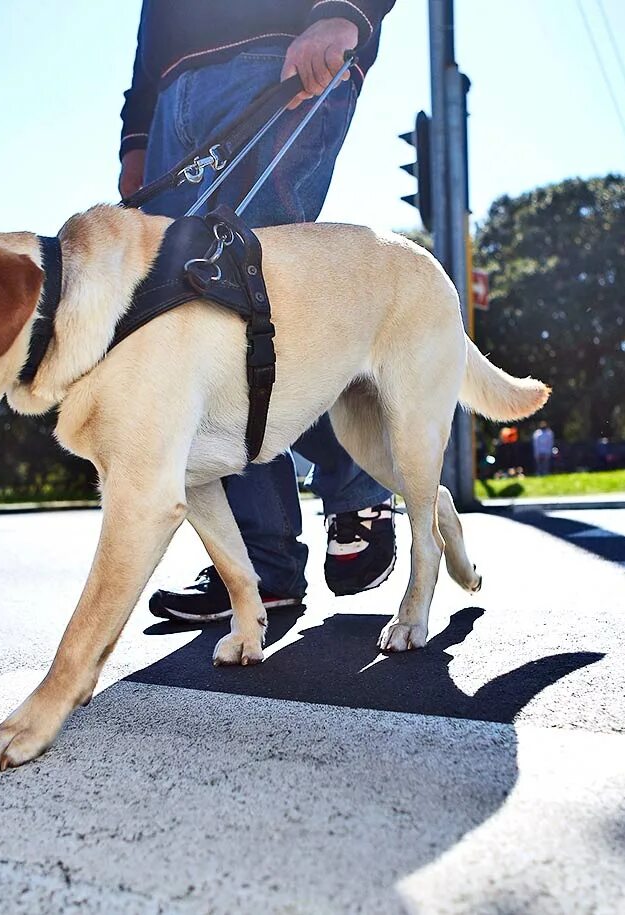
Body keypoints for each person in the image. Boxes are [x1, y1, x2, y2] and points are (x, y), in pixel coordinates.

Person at [120, 1, 399, 623]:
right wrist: (137, 134)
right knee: (192, 327)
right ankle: (258, 564)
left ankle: (350, 488)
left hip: (279, 57)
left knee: (246, 311)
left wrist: (344, 13)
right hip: (174, 100)